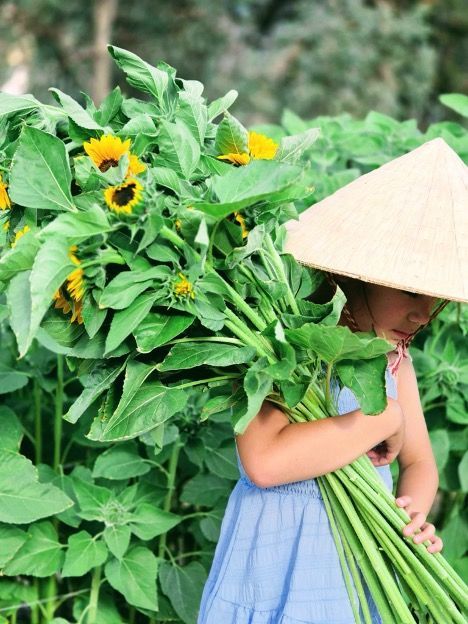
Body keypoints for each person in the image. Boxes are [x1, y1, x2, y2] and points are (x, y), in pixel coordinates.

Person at [197, 138, 467, 623]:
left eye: (435, 295)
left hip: (356, 560)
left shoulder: (392, 356)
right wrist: (385, 415)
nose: (424, 313)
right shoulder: (287, 343)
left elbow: (421, 461)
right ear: (359, 273)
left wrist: (412, 511)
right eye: (410, 289)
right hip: (275, 552)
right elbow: (264, 461)